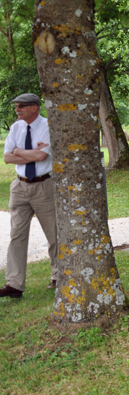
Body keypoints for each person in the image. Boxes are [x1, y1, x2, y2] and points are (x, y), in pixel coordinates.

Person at [0, 93, 58, 298]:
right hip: (19, 187)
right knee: (16, 235)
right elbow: (7, 158)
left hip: (43, 186)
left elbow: (41, 156)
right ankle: (14, 285)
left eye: (22, 106)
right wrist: (26, 151)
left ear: (34, 107)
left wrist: (19, 151)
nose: (18, 109)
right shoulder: (15, 128)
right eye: (16, 105)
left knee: (53, 234)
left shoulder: (49, 126)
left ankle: (58, 276)